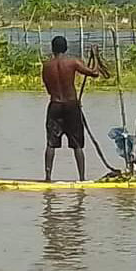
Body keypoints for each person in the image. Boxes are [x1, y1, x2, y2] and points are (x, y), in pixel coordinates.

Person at [42, 36, 99, 182]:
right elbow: (94, 73)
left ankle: (48, 178)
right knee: (77, 144)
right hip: (71, 106)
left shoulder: (47, 66)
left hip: (55, 105)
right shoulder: (72, 62)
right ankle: (82, 178)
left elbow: (49, 89)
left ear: (53, 49)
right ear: (66, 48)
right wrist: (96, 57)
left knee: (51, 143)